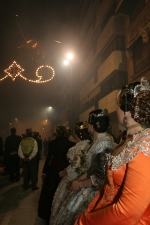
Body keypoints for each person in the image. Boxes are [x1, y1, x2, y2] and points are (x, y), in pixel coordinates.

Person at [75, 77, 150, 225]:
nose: (115, 109)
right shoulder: (132, 140)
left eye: (117, 104)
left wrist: (85, 221)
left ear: (127, 111)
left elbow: (128, 212)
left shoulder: (145, 145)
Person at [52, 109, 116, 225]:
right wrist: (80, 178)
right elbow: (92, 168)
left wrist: (80, 184)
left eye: (88, 123)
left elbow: (100, 177)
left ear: (93, 124)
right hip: (87, 183)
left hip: (94, 190)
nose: (87, 126)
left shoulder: (104, 144)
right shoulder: (97, 141)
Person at [50, 121, 92, 225]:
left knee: (64, 206)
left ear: (77, 133)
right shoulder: (89, 145)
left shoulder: (77, 148)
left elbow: (75, 166)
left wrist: (64, 172)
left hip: (72, 179)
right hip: (84, 178)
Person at [38, 125, 75, 224]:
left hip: (53, 168)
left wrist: (45, 171)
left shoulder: (52, 143)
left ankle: (48, 212)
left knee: (50, 190)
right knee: (63, 190)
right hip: (64, 168)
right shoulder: (70, 144)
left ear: (57, 133)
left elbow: (49, 158)